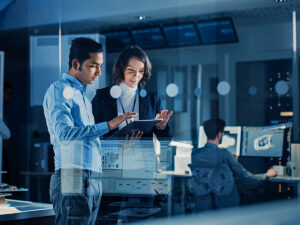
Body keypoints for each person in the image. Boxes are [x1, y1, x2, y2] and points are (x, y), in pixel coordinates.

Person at [43, 37, 136, 225]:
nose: (99, 72)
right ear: (76, 63)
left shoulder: (84, 97)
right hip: (72, 176)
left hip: (93, 177)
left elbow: (87, 141)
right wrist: (108, 125)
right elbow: (65, 134)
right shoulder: (59, 90)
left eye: (100, 66)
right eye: (94, 65)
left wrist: (118, 147)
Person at [190, 118, 278, 212]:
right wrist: (267, 175)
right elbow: (247, 178)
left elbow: (210, 175)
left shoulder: (195, 154)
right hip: (225, 207)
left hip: (204, 205)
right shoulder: (223, 153)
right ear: (219, 134)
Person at [92, 45, 173, 140]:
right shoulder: (102, 96)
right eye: (131, 70)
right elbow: (92, 134)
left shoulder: (152, 98)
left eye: (141, 71)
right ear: (121, 69)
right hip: (113, 154)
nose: (136, 76)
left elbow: (166, 141)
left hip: (144, 154)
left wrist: (161, 126)